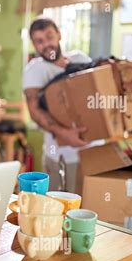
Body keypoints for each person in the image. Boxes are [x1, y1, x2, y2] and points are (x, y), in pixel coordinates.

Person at [23, 17, 92, 193]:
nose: (46, 44)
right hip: (63, 155)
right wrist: (65, 134)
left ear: (59, 35)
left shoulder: (81, 59)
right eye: (39, 41)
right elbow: (35, 111)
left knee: (92, 208)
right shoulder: (34, 70)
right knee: (63, 209)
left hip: (94, 151)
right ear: (34, 44)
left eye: (49, 36)